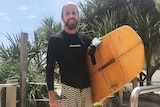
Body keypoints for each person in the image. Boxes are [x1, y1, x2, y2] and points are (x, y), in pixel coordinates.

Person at [46, 2, 101, 107]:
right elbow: (49, 68)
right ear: (62, 17)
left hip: (87, 91)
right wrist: (51, 95)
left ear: (78, 15)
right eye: (67, 13)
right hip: (68, 90)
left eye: (73, 13)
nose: (71, 16)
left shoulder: (85, 39)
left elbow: (95, 64)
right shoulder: (55, 40)